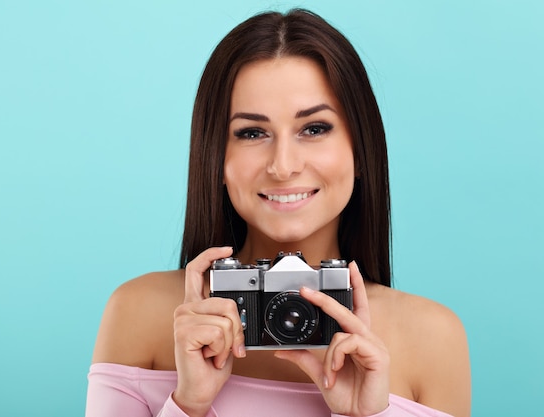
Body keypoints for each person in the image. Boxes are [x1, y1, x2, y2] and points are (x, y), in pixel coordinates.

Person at [86, 8, 471, 417]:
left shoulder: (434, 339)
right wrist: (188, 404)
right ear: (215, 159)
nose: (283, 166)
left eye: (314, 128)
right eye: (252, 133)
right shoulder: (138, 314)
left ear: (361, 151)